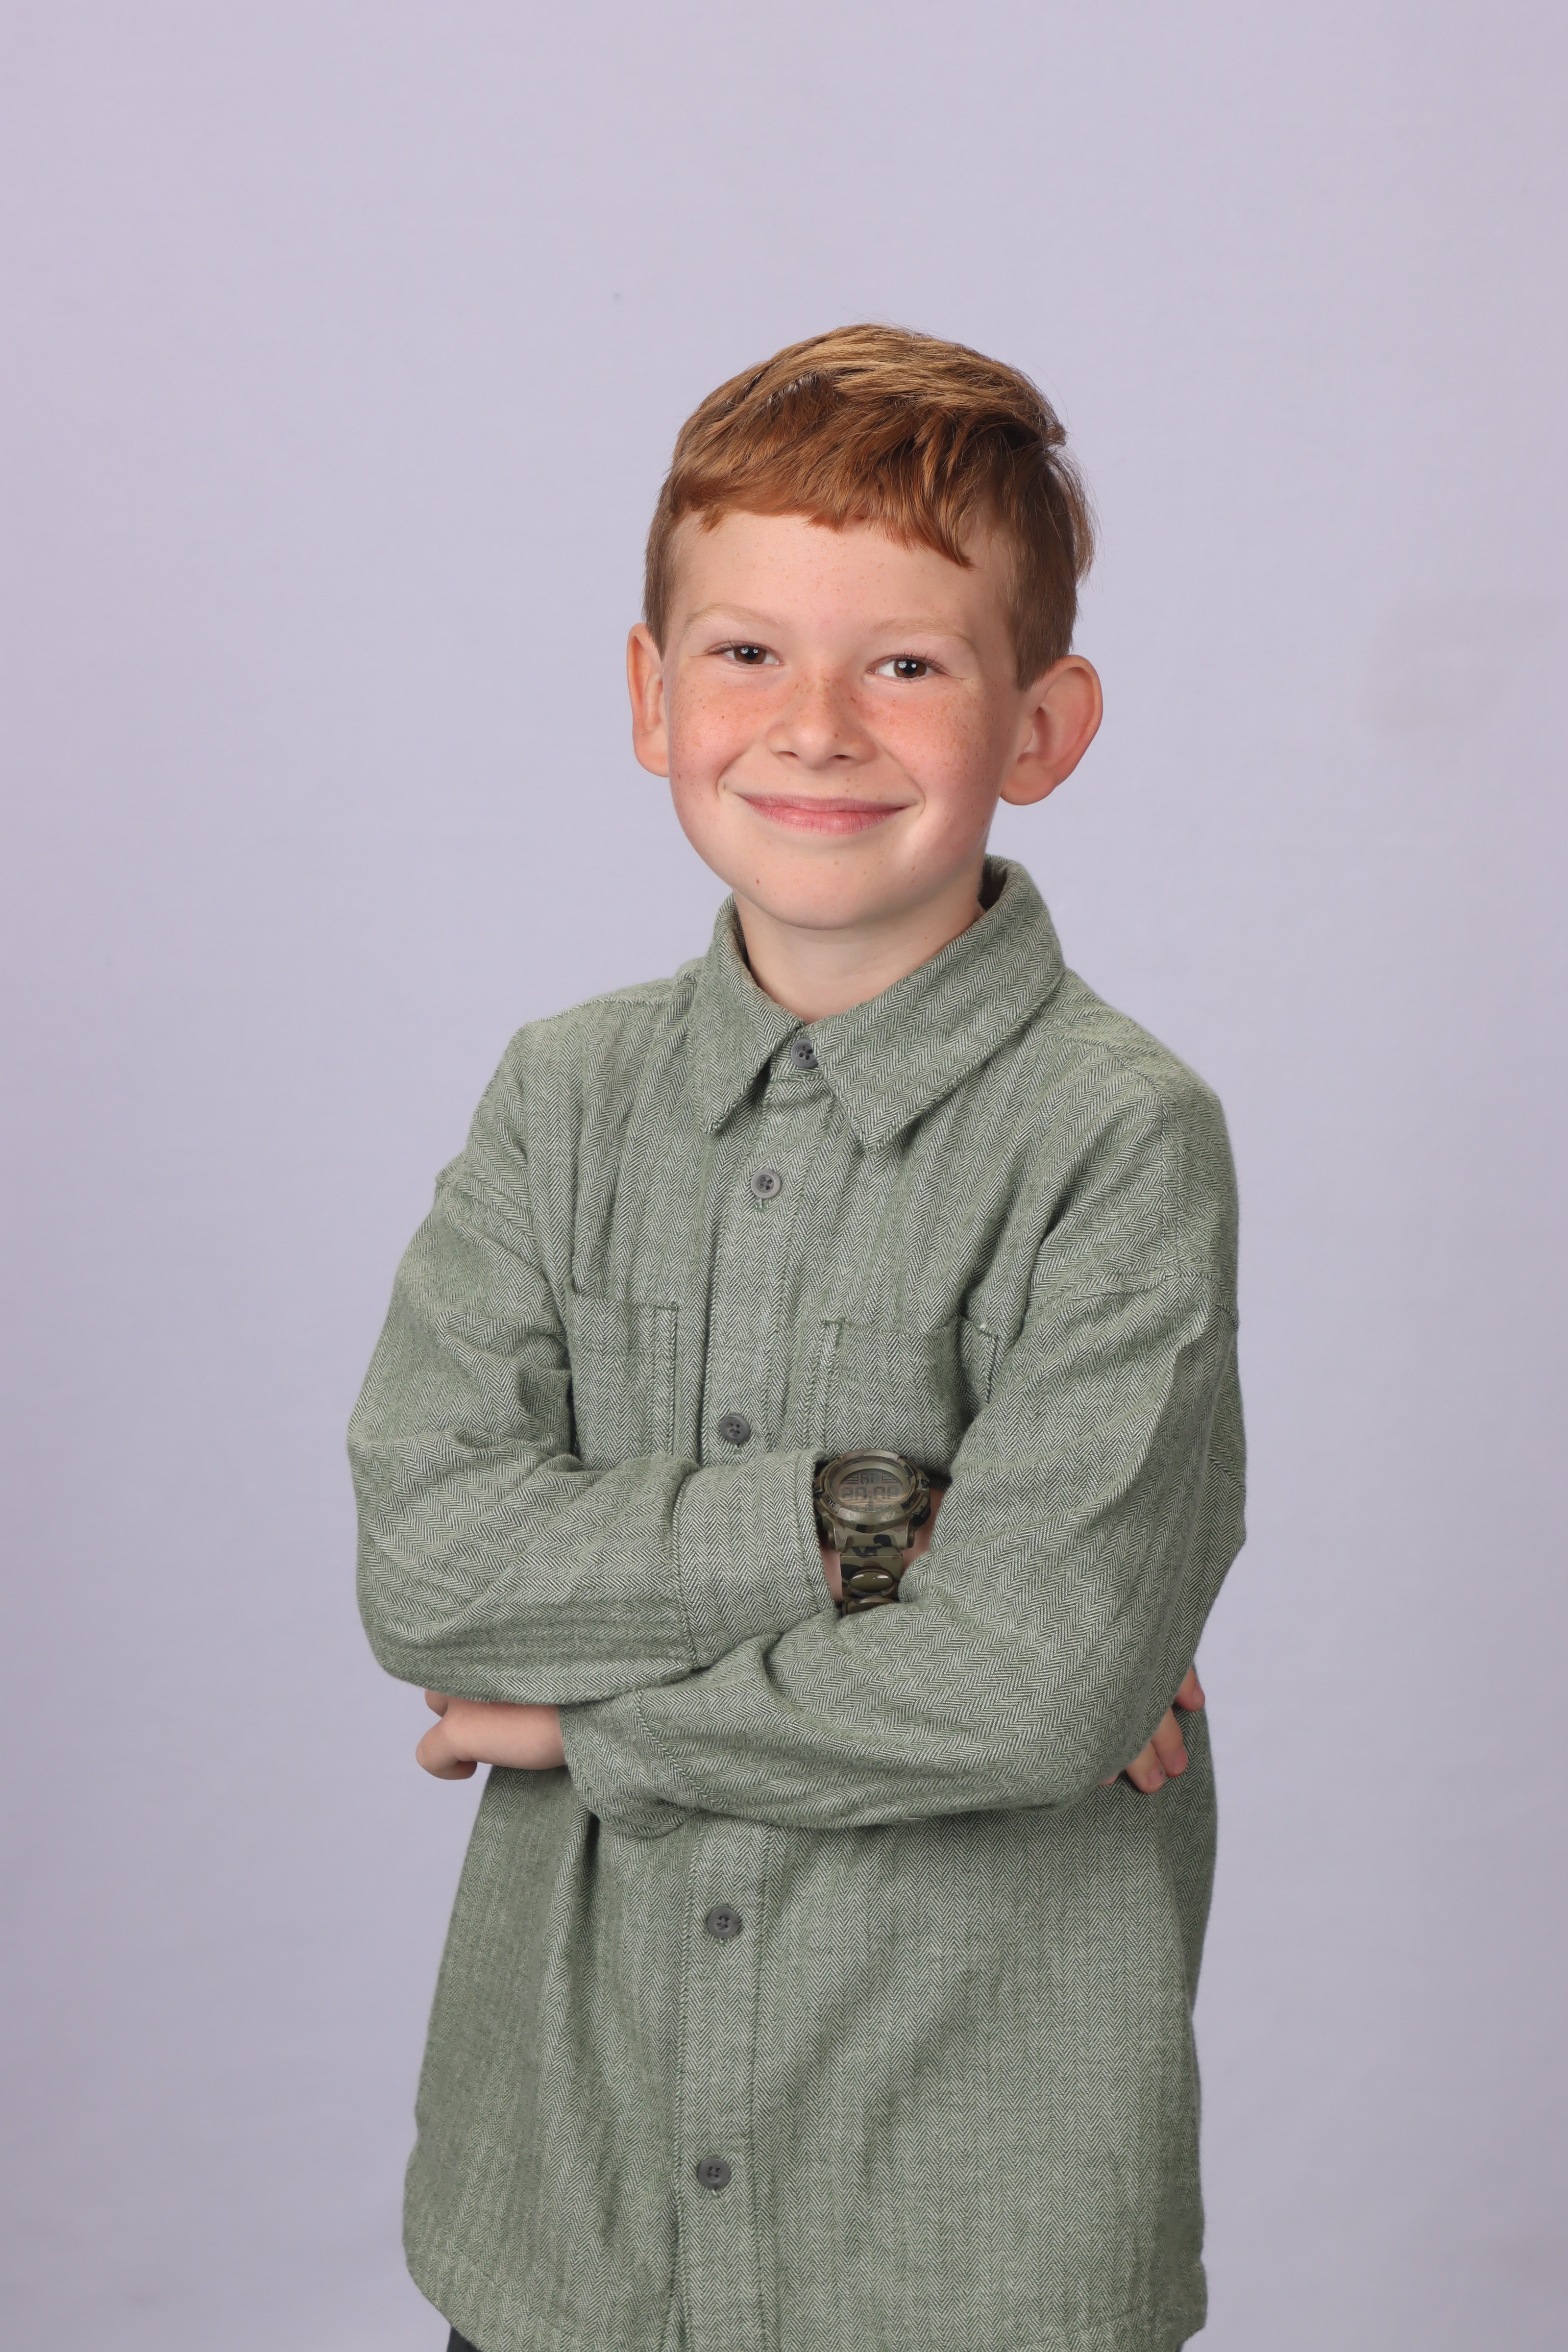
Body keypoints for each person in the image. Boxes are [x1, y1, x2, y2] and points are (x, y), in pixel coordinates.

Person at [348, 323, 1245, 2352]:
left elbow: (1031, 1692)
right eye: (747, 652)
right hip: (567, 2214)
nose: (816, 727)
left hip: (966, 2233)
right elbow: (426, 1565)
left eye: (906, 664)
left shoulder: (1117, 1139)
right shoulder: (559, 1101)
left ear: (1041, 723)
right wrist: (872, 1526)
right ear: (653, 697)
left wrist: (586, 1730)